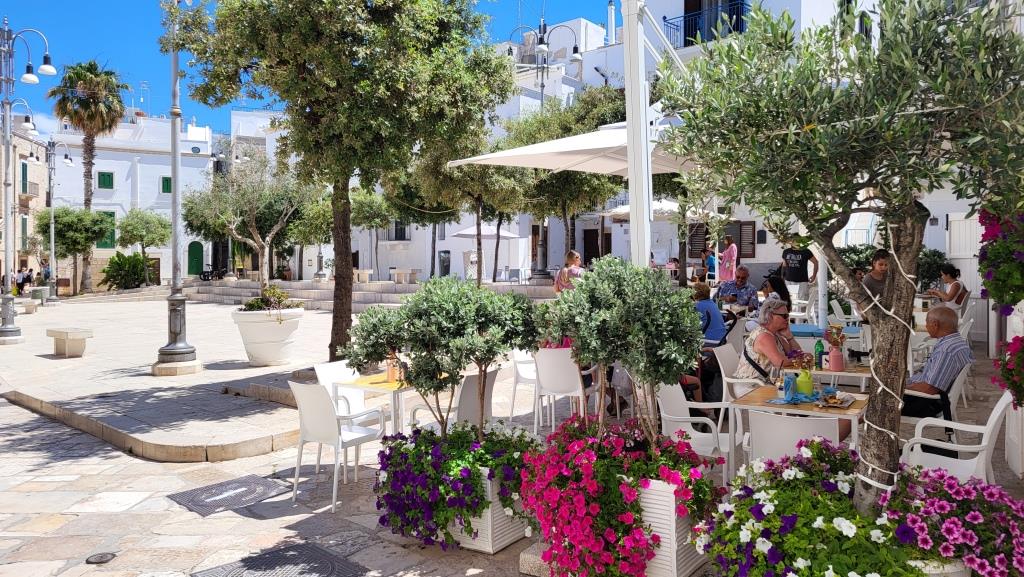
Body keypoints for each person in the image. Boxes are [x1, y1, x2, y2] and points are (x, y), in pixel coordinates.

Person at [901, 307, 974, 418]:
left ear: (935, 324)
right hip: (928, 398)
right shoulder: (958, 342)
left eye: (927, 322)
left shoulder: (946, 351)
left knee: (878, 401)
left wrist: (900, 388)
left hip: (924, 403)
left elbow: (929, 389)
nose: (926, 326)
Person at [733, 296, 801, 393]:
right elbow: (780, 362)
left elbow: (795, 353)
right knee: (797, 395)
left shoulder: (775, 334)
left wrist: (789, 337)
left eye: (787, 315)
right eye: (784, 316)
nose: (787, 319)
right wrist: (802, 360)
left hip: (764, 384)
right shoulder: (764, 336)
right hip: (750, 387)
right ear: (770, 316)